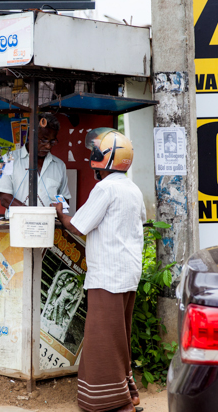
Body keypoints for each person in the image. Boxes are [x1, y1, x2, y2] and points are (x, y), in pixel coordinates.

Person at [53, 128, 145, 412]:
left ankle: (110, 403)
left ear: (101, 160)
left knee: (102, 338)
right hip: (128, 273)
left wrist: (61, 211)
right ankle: (128, 392)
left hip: (107, 275)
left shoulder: (105, 188)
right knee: (119, 335)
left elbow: (77, 225)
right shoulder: (132, 188)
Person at [0, 113, 70, 216]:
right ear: (31, 136)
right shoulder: (6, 159)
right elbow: (5, 199)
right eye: (43, 140)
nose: (48, 146)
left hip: (48, 224)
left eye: (52, 141)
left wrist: (60, 207)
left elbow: (64, 198)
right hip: (18, 224)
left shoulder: (60, 165)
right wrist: (33, 215)